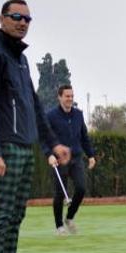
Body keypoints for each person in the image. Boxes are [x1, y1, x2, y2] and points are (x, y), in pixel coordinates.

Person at [0, 0, 71, 253]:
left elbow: (33, 105)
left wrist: (52, 142)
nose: (22, 22)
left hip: (24, 145)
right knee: (1, 215)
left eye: (28, 18)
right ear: (2, 18)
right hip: (4, 146)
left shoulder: (20, 59)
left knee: (16, 214)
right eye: (16, 16)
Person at [46, 84, 96, 235]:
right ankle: (59, 226)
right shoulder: (51, 116)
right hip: (59, 159)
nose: (70, 99)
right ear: (60, 97)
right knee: (60, 193)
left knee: (81, 188)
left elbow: (84, 137)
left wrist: (91, 155)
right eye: (67, 96)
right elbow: (46, 138)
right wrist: (49, 154)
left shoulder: (78, 115)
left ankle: (69, 217)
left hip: (76, 158)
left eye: (72, 96)